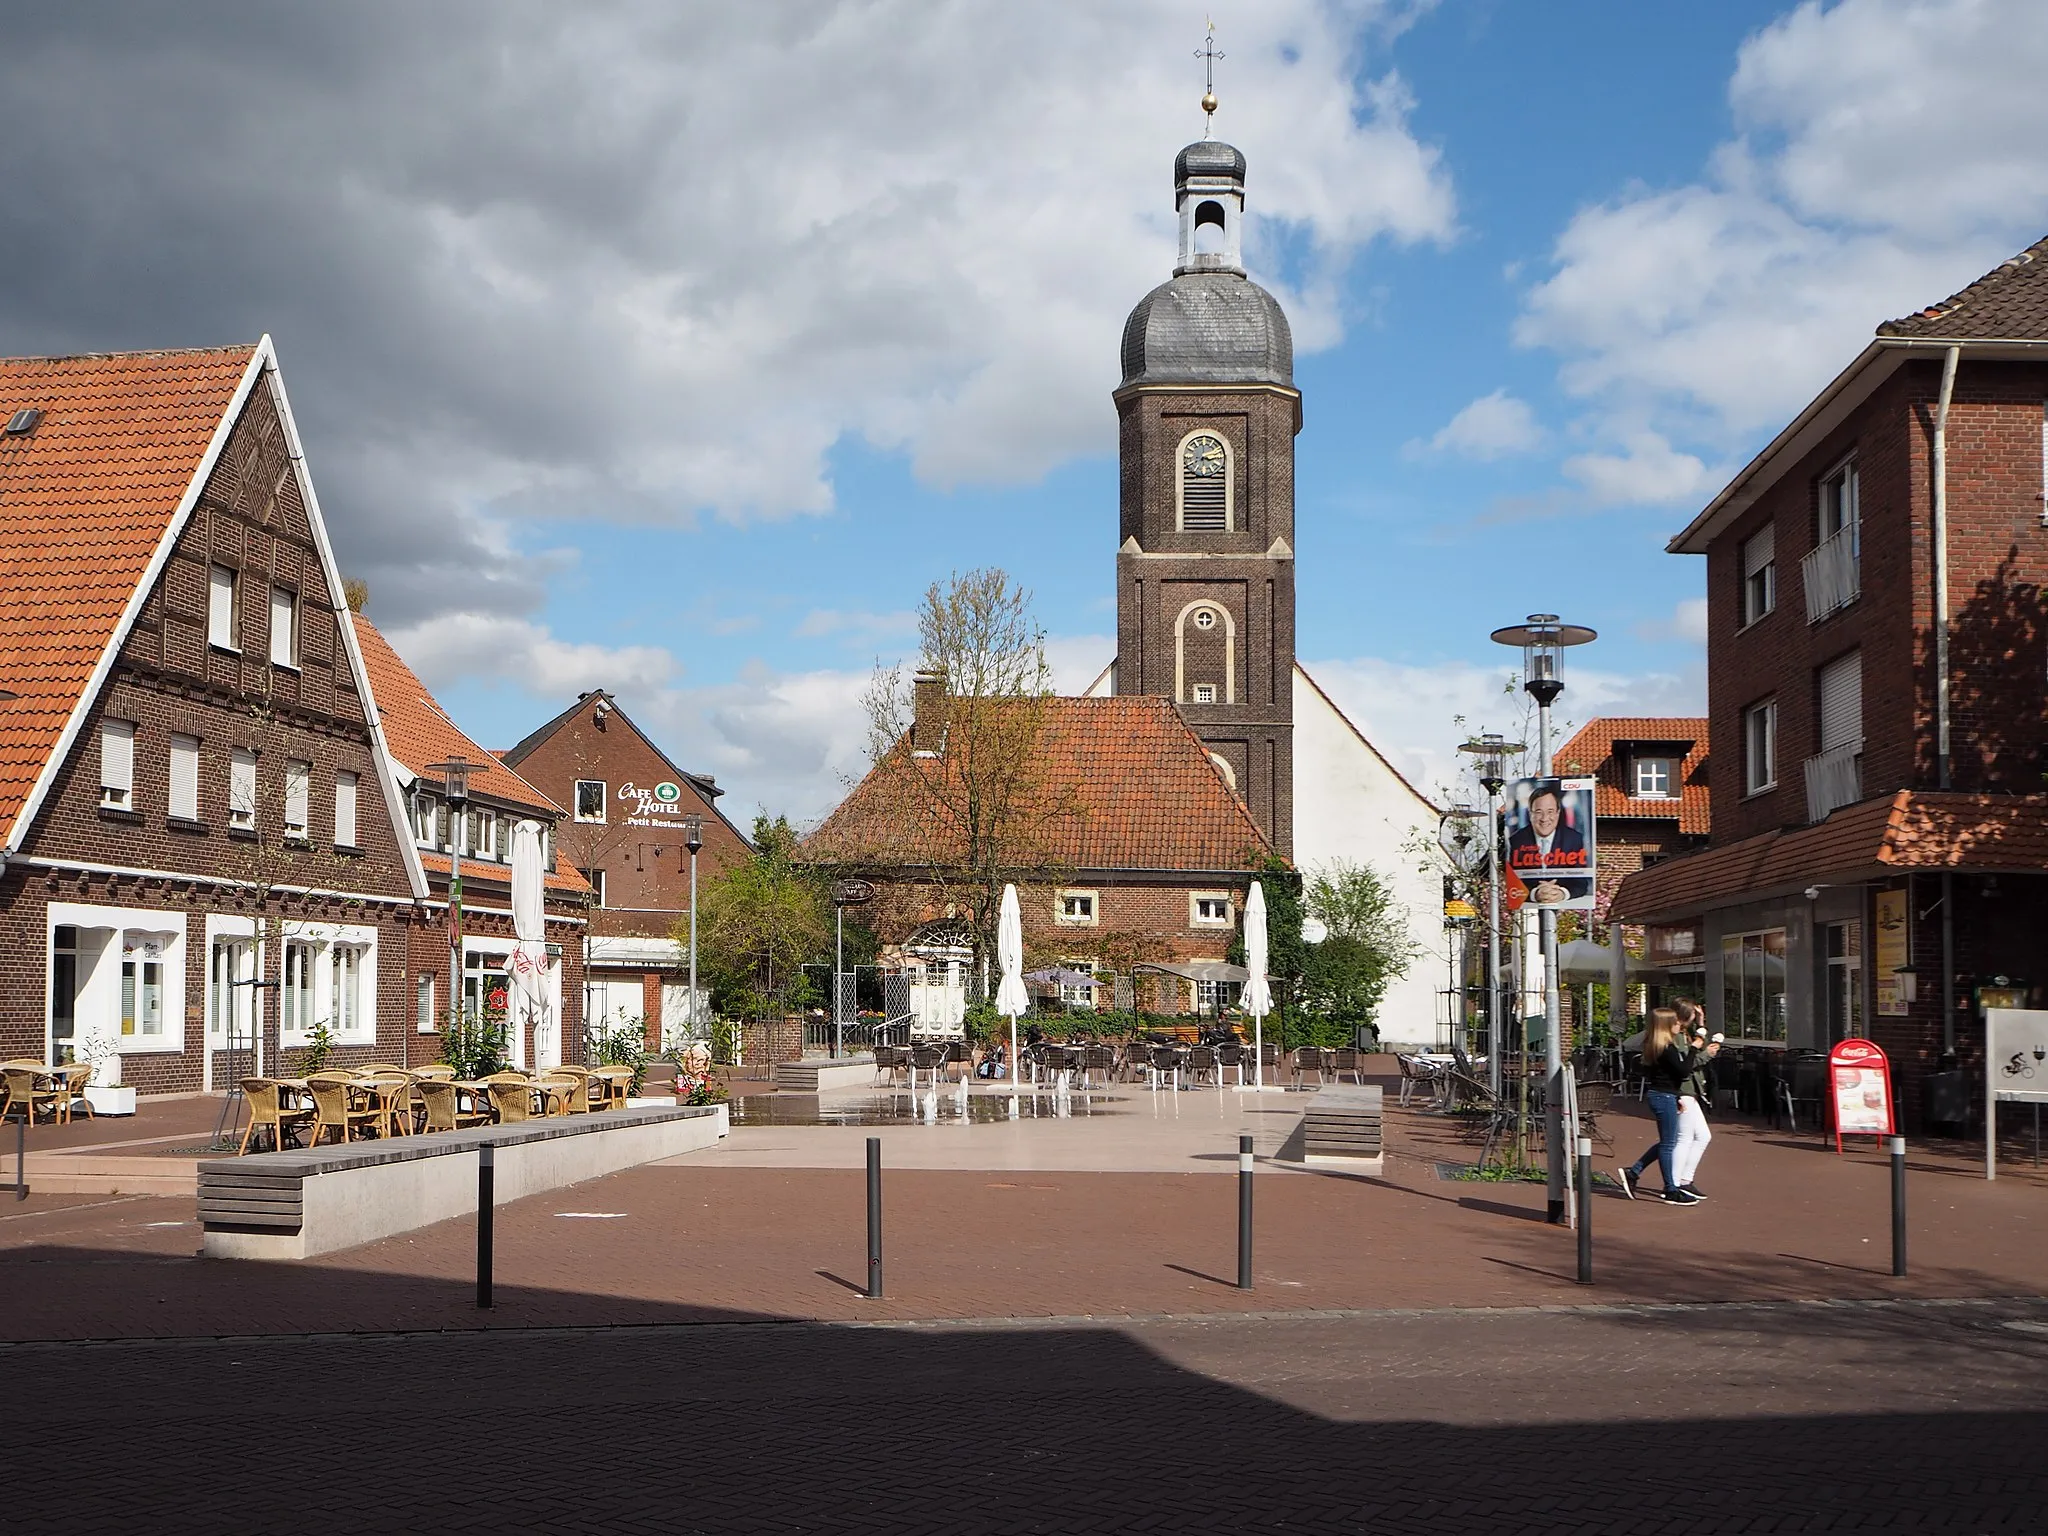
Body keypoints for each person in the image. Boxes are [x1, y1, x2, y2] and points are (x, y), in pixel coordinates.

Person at [1616, 1005, 1719, 1205]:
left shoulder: (1658, 1046)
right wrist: (1695, 1049)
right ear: (1666, 1025)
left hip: (1667, 1095)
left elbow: (1667, 1076)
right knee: (1669, 1143)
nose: (1678, 1025)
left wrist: (1676, 1096)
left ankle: (1635, 1171)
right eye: (1674, 1022)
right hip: (1663, 1096)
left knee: (1667, 1141)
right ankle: (1670, 1189)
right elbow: (1682, 1071)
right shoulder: (1666, 1048)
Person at [1506, 784, 1590, 903]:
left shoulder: (1574, 839)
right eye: (1539, 812)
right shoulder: (1516, 841)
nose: (1544, 818)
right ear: (1530, 814)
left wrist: (1562, 893)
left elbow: (1581, 884)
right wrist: (1535, 894)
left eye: (1550, 812)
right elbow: (1512, 884)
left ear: (1558, 813)